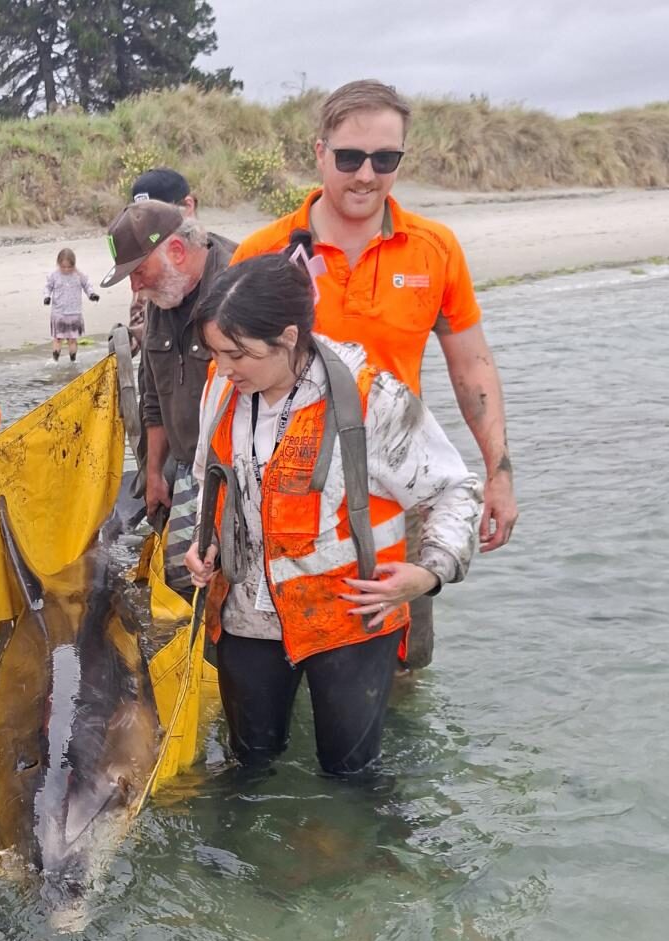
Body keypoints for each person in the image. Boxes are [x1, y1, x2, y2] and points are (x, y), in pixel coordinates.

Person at [230, 79, 518, 670]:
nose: (366, 174)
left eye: (385, 159)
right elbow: (226, 377)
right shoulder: (265, 251)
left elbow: (471, 364)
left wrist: (498, 473)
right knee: (279, 665)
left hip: (396, 496)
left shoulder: (434, 249)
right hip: (287, 503)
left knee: (399, 668)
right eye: (349, 157)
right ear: (319, 152)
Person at [184, 244, 482, 775]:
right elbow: (211, 477)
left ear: (290, 339)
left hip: (349, 619)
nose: (222, 368)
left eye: (238, 354)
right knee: (250, 765)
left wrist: (429, 573)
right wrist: (202, 544)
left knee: (351, 778)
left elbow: (456, 489)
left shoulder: (373, 398)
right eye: (215, 353)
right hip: (246, 620)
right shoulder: (223, 387)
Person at [100, 199, 236, 594]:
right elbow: (154, 398)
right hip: (186, 466)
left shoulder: (237, 284)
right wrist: (154, 473)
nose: (136, 287)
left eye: (139, 271)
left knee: (223, 584)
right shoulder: (164, 296)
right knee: (181, 580)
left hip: (234, 469)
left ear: (176, 251)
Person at [126, 168, 198, 350]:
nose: (150, 228)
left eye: (157, 216)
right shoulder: (147, 270)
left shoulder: (231, 263)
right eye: (141, 219)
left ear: (188, 207)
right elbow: (139, 323)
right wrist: (130, 337)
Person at [43, 247, 99, 362]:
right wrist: (47, 297)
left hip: (74, 313)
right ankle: (55, 360)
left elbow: (87, 285)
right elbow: (47, 287)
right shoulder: (54, 275)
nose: (67, 269)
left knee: (72, 339)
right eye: (63, 267)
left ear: (74, 265)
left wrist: (92, 294)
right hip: (59, 313)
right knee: (57, 338)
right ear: (58, 264)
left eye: (70, 267)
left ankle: (73, 360)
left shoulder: (79, 275)